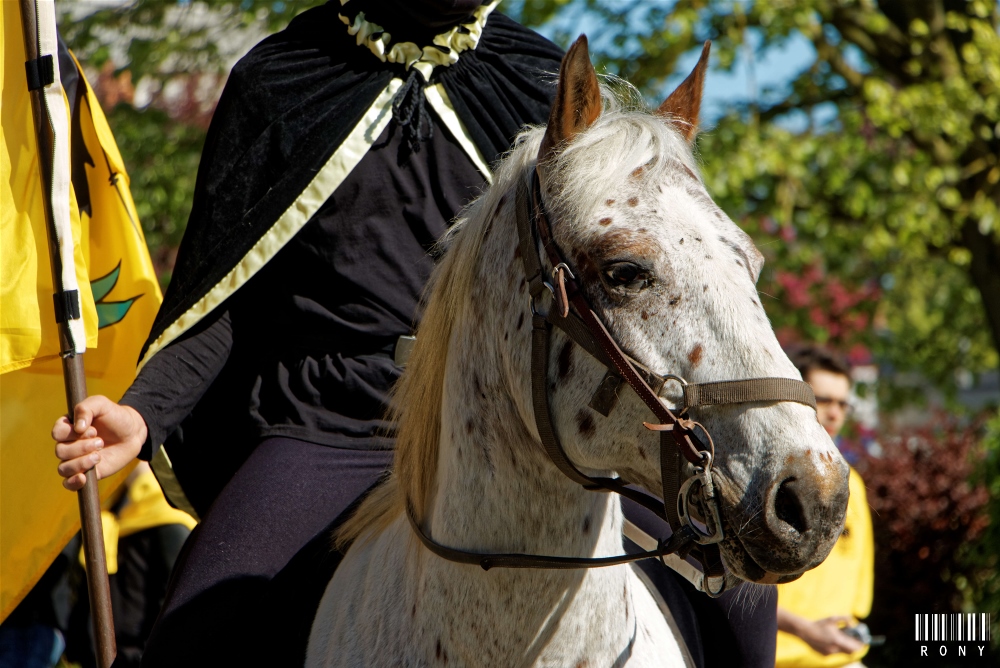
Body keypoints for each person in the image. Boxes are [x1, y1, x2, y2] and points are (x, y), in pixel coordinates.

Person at [53, 2, 780, 665]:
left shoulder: (536, 79)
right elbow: (226, 292)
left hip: (521, 421)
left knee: (742, 602)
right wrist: (143, 412)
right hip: (336, 423)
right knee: (197, 626)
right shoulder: (280, 81)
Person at [775, 345, 874, 668]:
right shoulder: (768, 482)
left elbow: (859, 596)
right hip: (776, 660)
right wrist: (804, 630)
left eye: (842, 403)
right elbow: (734, 593)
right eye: (824, 400)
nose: (834, 413)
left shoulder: (853, 484)